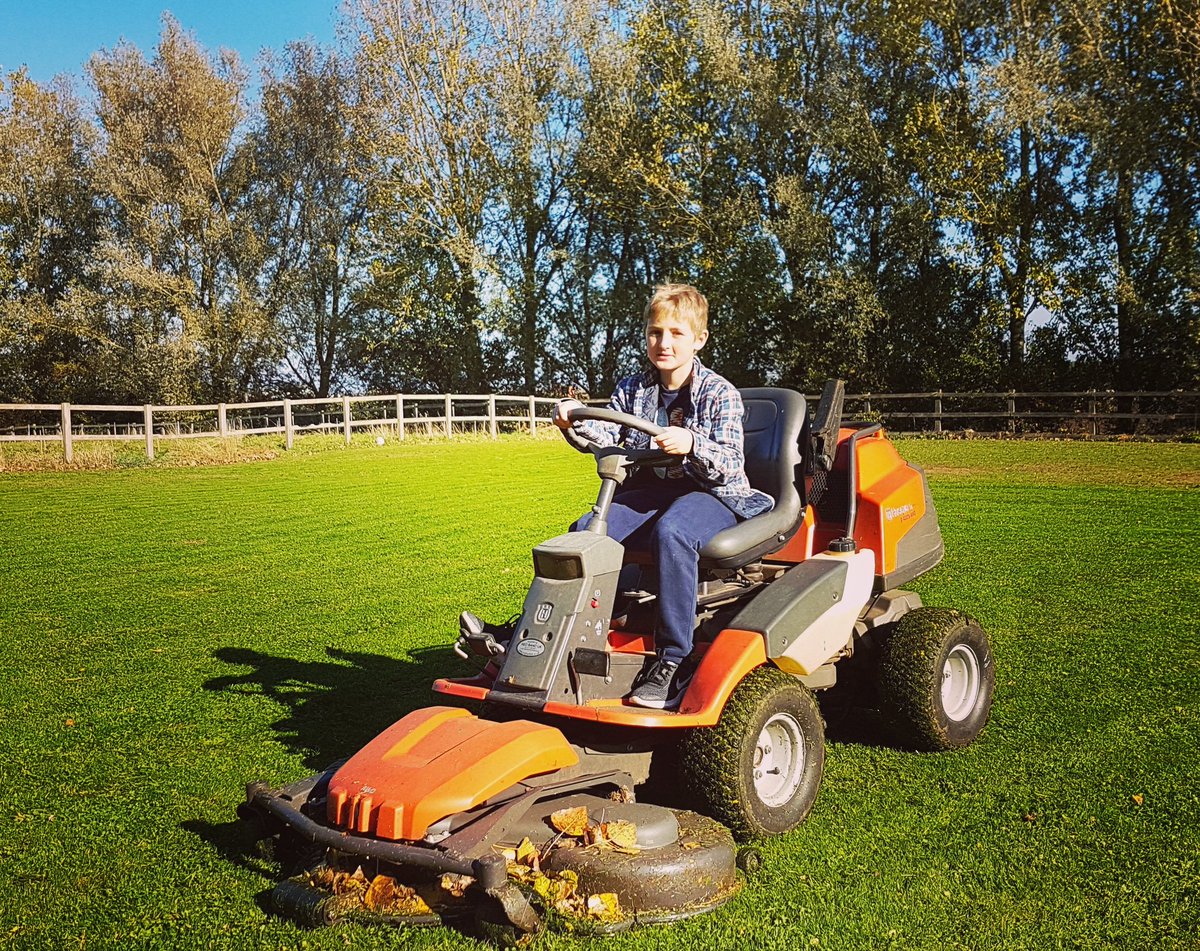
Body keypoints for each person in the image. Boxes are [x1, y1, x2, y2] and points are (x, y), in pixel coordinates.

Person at [554, 284, 773, 709]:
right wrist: (572, 421)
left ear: (699, 339)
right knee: (585, 531)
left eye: (676, 333)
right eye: (656, 332)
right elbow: (611, 437)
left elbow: (729, 461)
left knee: (674, 532)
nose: (664, 343)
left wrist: (693, 443)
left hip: (711, 491)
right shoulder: (634, 389)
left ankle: (675, 657)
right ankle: (550, 632)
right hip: (651, 488)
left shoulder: (719, 392)